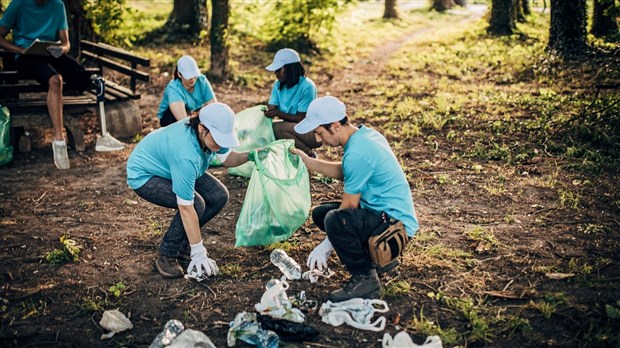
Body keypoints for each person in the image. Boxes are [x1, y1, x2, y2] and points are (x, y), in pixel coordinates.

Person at [292, 96, 419, 302]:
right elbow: (348, 172)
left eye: (319, 132)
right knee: (322, 214)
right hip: (386, 217)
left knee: (335, 220)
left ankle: (365, 279)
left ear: (334, 126)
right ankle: (381, 259)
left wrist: (326, 245)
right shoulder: (364, 136)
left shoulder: (358, 153)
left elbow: (348, 206)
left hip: (395, 227)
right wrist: (309, 163)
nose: (318, 139)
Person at [126, 102, 253, 279]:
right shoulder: (185, 153)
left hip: (169, 167)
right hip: (145, 174)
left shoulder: (212, 133)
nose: (221, 143)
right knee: (197, 204)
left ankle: (185, 244)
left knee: (218, 196)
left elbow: (228, 158)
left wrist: (251, 155)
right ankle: (167, 255)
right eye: (218, 138)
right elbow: (186, 207)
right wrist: (199, 251)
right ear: (202, 128)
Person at [0, 0, 92, 170]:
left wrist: (59, 49)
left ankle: (103, 132)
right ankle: (59, 141)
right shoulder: (18, 4)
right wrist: (19, 49)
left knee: (83, 76)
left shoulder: (57, 5)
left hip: (49, 52)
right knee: (55, 79)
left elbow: (66, 44)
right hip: (25, 55)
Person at [264, 48, 321, 157]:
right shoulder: (278, 85)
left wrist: (277, 113)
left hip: (312, 132)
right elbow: (272, 106)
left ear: (289, 69)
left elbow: (301, 118)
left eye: (278, 70)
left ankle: (308, 154)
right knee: (268, 128)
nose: (275, 73)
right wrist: (269, 111)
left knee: (277, 129)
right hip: (292, 128)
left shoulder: (307, 86)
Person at [157, 55, 217, 127]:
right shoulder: (174, 88)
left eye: (194, 75)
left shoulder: (201, 81)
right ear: (179, 74)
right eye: (188, 76)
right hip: (171, 118)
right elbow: (183, 121)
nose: (192, 79)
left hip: (193, 112)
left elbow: (214, 106)